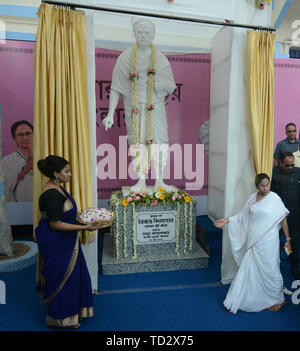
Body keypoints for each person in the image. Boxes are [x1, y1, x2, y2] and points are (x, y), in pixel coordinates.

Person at [102, 18, 176, 192]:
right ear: (134, 33)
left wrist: (160, 85)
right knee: (137, 142)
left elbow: (170, 85)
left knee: (160, 142)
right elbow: (116, 88)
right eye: (140, 32)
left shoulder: (161, 59)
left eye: (147, 32)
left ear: (153, 35)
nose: (143, 35)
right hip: (134, 106)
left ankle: (160, 180)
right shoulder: (126, 58)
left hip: (155, 106)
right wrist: (111, 114)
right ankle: (141, 181)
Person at [35, 155, 99, 328]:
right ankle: (62, 318)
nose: (70, 174)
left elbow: (65, 215)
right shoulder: (52, 194)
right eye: (66, 171)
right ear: (56, 173)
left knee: (73, 277)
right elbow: (55, 224)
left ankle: (74, 311)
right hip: (57, 243)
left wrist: (83, 219)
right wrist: (84, 228)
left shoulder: (58, 187)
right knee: (63, 278)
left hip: (67, 241)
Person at [214, 173, 290, 314]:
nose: (266, 187)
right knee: (252, 270)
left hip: (268, 241)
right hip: (253, 240)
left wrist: (288, 239)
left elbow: (283, 219)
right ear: (257, 186)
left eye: (268, 184)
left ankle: (279, 299)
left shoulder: (274, 198)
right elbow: (243, 216)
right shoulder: (252, 198)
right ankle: (250, 298)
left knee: (270, 269)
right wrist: (226, 220)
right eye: (262, 185)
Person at [271, 152, 300, 279]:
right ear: (280, 162)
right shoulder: (272, 174)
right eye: (287, 165)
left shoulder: (298, 172)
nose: (290, 168)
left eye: (292, 165)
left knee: (294, 243)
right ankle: (272, 269)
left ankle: (294, 267)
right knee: (273, 243)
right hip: (277, 217)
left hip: (294, 216)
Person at [1, 120, 33, 202]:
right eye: (20, 134)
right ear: (14, 138)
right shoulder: (6, 162)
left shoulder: (45, 158)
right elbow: (6, 188)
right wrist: (26, 170)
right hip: (18, 207)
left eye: (28, 133)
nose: (25, 137)